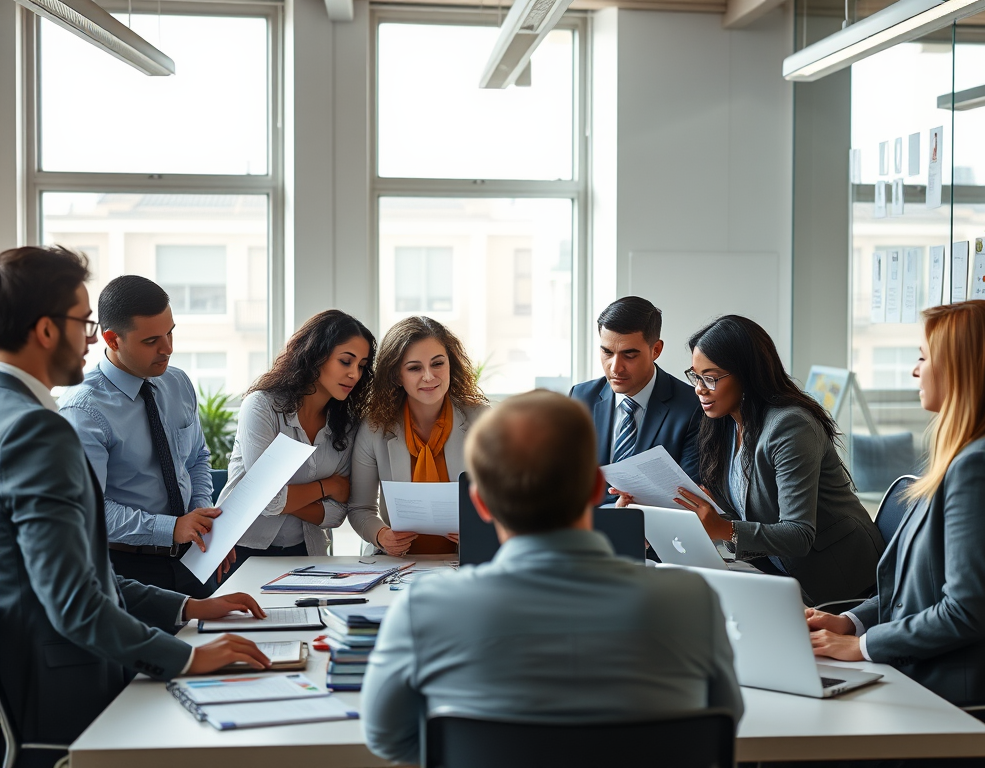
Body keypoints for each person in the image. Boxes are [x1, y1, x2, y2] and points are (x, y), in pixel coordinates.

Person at [361, 390, 743, 764]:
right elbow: (724, 718)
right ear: (596, 487)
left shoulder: (425, 608)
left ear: (479, 503)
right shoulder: (692, 599)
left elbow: (388, 739)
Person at [0, 246, 270, 751]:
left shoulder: (11, 414)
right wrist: (188, 658)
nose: (86, 337)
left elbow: (75, 572)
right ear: (45, 330)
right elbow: (75, 602)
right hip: (53, 685)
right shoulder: (39, 428)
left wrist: (187, 606)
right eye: (82, 322)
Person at [807, 300, 985, 707]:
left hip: (940, 693)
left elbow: (966, 611)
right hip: (914, 671)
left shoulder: (983, 464)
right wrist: (851, 622)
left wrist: (864, 646)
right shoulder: (967, 453)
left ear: (961, 368)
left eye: (923, 357)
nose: (914, 370)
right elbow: (915, 588)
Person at [675, 315, 883, 606]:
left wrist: (724, 528)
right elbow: (748, 515)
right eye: (696, 376)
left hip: (842, 583)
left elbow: (798, 535)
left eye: (710, 377)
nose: (699, 387)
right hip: (778, 574)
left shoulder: (790, 425)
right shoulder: (725, 424)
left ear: (747, 374)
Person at [59, 276, 232, 597]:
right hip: (126, 570)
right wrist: (171, 528)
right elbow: (89, 511)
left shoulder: (178, 383)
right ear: (112, 340)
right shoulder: (83, 410)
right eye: (151, 341)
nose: (167, 348)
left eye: (170, 333)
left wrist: (201, 519)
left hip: (194, 561)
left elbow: (196, 459)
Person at [224, 310, 375, 569]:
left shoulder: (348, 425)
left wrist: (277, 497)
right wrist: (327, 487)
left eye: (361, 366)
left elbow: (337, 515)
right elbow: (267, 500)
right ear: (316, 355)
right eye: (346, 361)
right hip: (239, 551)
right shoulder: (261, 406)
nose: (355, 374)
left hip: (307, 553)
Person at [348, 316, 488, 556]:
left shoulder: (481, 420)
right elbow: (360, 508)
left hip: (467, 559)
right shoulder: (374, 427)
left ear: (450, 364)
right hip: (396, 564)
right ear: (396, 376)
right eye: (414, 368)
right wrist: (381, 536)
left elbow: (508, 501)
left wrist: (478, 530)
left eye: (437, 363)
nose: (429, 376)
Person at [570, 296, 702, 505]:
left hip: (657, 532)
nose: (615, 368)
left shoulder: (692, 407)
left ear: (656, 350)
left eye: (629, 355)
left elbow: (689, 497)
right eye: (607, 352)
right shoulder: (581, 398)